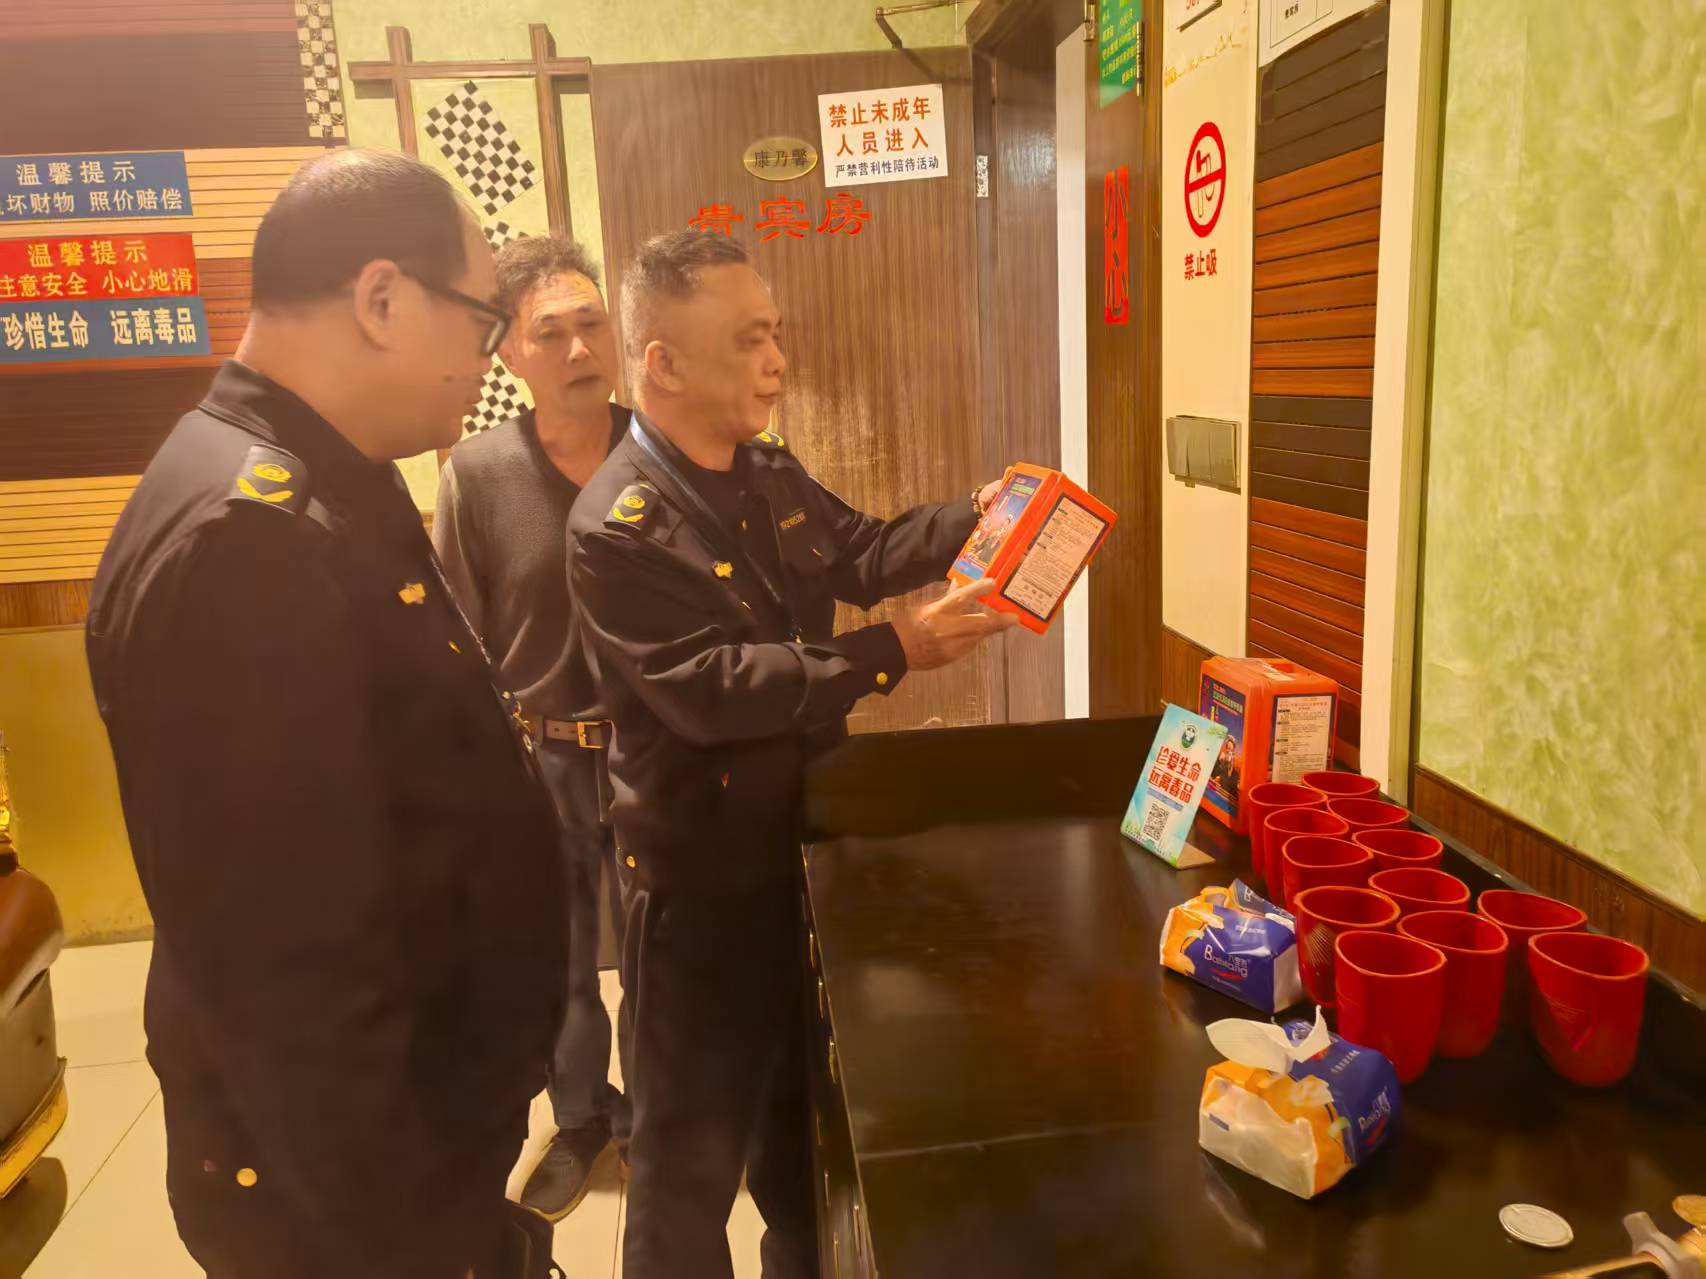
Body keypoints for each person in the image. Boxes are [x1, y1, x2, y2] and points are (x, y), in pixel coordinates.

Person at [85, 150, 565, 1279]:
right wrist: (429, 1244)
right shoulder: (249, 541)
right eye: (482, 322)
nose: (487, 361)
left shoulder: (322, 478)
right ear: (382, 299)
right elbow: (291, 972)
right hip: (359, 1207)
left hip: (413, 1144)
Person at [566, 230, 1015, 1279]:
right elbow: (714, 688)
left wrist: (979, 516)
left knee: (799, 1136)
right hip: (699, 886)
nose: (776, 362)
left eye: (775, 334)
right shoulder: (615, 526)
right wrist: (893, 651)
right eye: (748, 340)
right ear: (663, 363)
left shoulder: (766, 469)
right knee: (686, 1168)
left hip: (805, 854)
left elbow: (862, 551)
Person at [433, 234, 631, 1220]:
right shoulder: (476, 473)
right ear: (509, 350)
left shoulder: (665, 451)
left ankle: (666, 1114)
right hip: (542, 754)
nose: (578, 347)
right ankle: (583, 1117)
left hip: (660, 753)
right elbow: (459, 634)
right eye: (549, 332)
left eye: (592, 323)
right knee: (563, 963)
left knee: (667, 951)